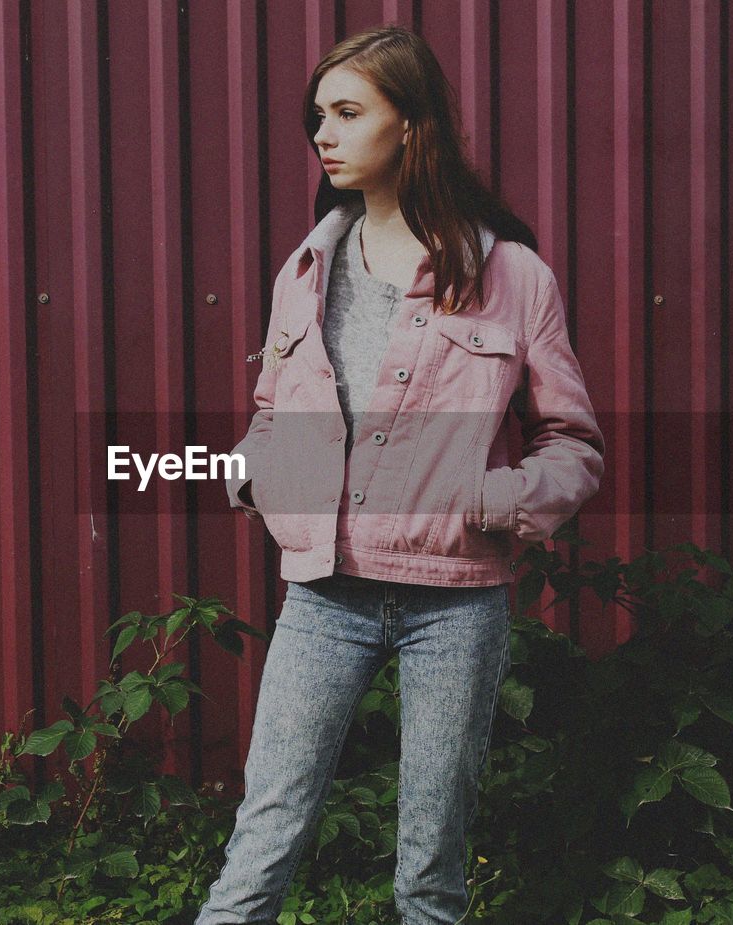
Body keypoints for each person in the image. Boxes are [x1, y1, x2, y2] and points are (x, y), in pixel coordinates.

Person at [197, 24, 605, 925]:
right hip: (324, 593)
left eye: (348, 113)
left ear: (413, 126)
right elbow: (278, 411)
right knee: (263, 834)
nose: (324, 136)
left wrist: (494, 497)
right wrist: (263, 474)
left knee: (432, 860)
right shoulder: (301, 273)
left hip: (455, 601)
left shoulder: (513, 276)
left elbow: (572, 441)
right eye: (318, 117)